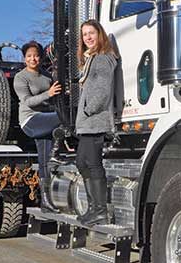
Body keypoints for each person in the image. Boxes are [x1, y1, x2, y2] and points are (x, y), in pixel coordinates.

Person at [75, 20, 117, 226]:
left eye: (91, 33)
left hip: (95, 120)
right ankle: (93, 208)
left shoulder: (102, 59)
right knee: (81, 163)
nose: (88, 38)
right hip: (86, 122)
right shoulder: (89, 59)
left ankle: (100, 210)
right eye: (84, 35)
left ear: (100, 34)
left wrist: (87, 109)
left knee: (92, 164)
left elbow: (102, 90)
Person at [13, 40, 62, 212]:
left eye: (36, 56)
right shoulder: (21, 77)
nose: (33, 59)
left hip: (45, 119)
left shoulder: (47, 76)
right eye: (29, 56)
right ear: (25, 58)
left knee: (45, 161)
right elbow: (27, 101)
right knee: (63, 118)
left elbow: (55, 97)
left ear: (40, 58)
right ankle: (60, 146)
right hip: (31, 120)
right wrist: (47, 94)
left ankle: (46, 202)